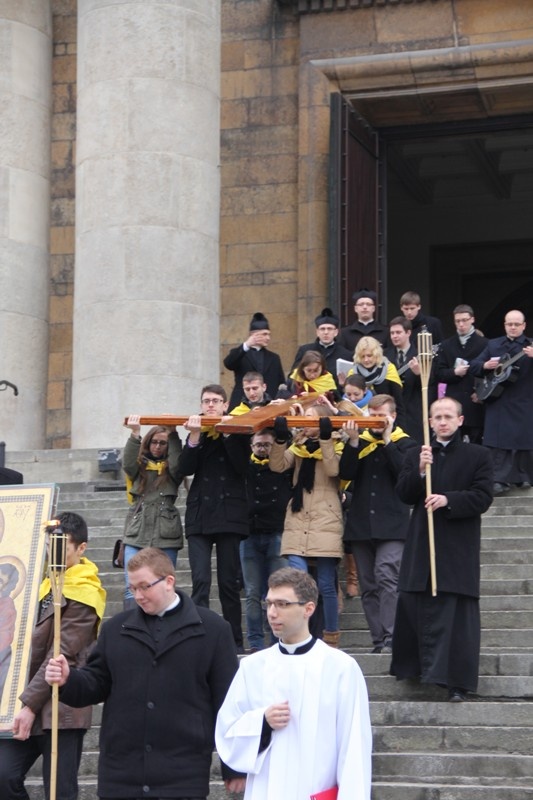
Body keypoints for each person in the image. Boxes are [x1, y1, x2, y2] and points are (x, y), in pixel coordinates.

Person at [44, 547, 244, 800]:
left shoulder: (214, 630)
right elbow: (96, 683)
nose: (137, 595)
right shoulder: (116, 628)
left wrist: (233, 764)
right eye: (132, 588)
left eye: (144, 586)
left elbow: (228, 701)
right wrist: (68, 679)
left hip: (182, 772)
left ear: (169, 581)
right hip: (122, 772)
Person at [215, 567, 372, 800]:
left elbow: (354, 747)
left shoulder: (340, 668)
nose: (272, 613)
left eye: (282, 604)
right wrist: (262, 722)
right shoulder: (253, 666)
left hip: (314, 788)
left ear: (308, 608)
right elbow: (227, 732)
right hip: (265, 789)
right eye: (268, 604)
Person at [390, 397, 493, 701]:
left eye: (448, 416)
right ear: (430, 422)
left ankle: (455, 681)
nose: (443, 421)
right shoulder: (418, 454)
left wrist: (449, 500)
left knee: (455, 611)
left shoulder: (478, 455)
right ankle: (416, 670)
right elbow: (404, 494)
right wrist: (421, 471)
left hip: (457, 545)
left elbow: (483, 497)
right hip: (423, 542)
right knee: (415, 600)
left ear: (461, 420)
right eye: (437, 417)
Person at [0, 512, 106, 800]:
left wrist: (28, 705)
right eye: (49, 545)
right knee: (4, 775)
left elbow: (60, 655)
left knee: (59, 791)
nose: (52, 552)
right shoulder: (41, 583)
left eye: (62, 546)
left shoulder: (85, 591)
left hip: (63, 705)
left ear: (81, 548)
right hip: (28, 698)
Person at [340, 395, 417, 654]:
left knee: (387, 575)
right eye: (370, 415)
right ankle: (378, 638)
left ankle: (392, 636)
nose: (374, 421)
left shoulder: (404, 443)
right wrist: (351, 442)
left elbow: (404, 475)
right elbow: (345, 474)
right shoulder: (360, 443)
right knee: (368, 584)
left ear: (392, 416)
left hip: (392, 524)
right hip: (362, 524)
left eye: (380, 415)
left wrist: (386, 442)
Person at [179, 384, 250, 651]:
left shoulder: (237, 430)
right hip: (200, 515)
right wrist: (194, 438)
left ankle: (234, 640)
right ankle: (198, 638)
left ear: (224, 405)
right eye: (206, 401)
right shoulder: (198, 434)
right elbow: (184, 469)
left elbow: (242, 467)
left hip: (229, 515)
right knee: (200, 580)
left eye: (216, 401)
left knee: (229, 582)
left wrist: (229, 433)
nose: (210, 405)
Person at [269, 406, 344, 647]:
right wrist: (280, 439)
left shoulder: (335, 442)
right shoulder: (298, 444)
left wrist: (324, 438)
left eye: (310, 418)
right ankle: (300, 633)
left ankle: (331, 636)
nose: (304, 422)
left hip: (326, 519)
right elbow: (278, 466)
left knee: (325, 584)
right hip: (299, 517)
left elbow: (334, 469)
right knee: (297, 580)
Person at [121, 416, 184, 608]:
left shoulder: (172, 471)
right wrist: (135, 434)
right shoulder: (140, 467)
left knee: (164, 584)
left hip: (165, 531)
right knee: (131, 586)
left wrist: (173, 436)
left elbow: (177, 466)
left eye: (162, 443)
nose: (157, 446)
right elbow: (128, 465)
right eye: (154, 442)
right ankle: (133, 627)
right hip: (137, 530)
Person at [469, 309, 533, 493]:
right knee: (497, 442)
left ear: (523, 326)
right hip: (498, 401)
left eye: (516, 324)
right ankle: (498, 480)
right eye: (509, 324)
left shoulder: (529, 346)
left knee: (523, 441)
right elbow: (473, 366)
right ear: (504, 325)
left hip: (524, 400)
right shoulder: (493, 345)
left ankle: (524, 477)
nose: (512, 327)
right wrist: (484, 365)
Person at [242, 429, 291, 651]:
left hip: (277, 532)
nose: (262, 448)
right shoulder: (246, 468)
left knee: (278, 591)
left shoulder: (284, 468)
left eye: (267, 445)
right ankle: (254, 643)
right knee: (252, 592)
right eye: (258, 444)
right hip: (250, 534)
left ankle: (276, 640)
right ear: (251, 446)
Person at [435, 304, 488, 444]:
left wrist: (482, 392)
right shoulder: (446, 345)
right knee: (453, 443)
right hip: (454, 402)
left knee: (476, 443)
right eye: (457, 321)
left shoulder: (484, 344)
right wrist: (454, 372)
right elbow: (439, 373)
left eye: (464, 320)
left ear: (472, 320)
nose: (461, 324)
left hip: (475, 401)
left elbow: (490, 373)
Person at [224, 312, 285, 408]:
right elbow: (228, 363)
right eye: (264, 334)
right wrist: (247, 344)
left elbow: (281, 384)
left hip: (268, 406)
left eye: (269, 334)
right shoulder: (240, 353)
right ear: (253, 334)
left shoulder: (274, 358)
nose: (268, 338)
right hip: (241, 405)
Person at [344, 336, 405, 426]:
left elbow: (399, 405)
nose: (366, 360)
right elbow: (348, 403)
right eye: (362, 356)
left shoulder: (389, 369)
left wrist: (399, 428)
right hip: (360, 424)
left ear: (376, 354)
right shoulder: (353, 372)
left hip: (386, 422)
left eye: (369, 355)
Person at [385, 315, 428, 443]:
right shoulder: (384, 355)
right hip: (390, 411)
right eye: (392, 333)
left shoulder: (420, 354)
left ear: (408, 333)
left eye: (398, 332)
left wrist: (420, 374)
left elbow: (431, 384)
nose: (394, 336)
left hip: (413, 413)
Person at [289, 307, 353, 389]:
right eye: (322, 329)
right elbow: (293, 376)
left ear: (336, 332)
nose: (326, 332)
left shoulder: (345, 354)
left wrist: (342, 384)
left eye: (329, 329)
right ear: (317, 332)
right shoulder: (304, 350)